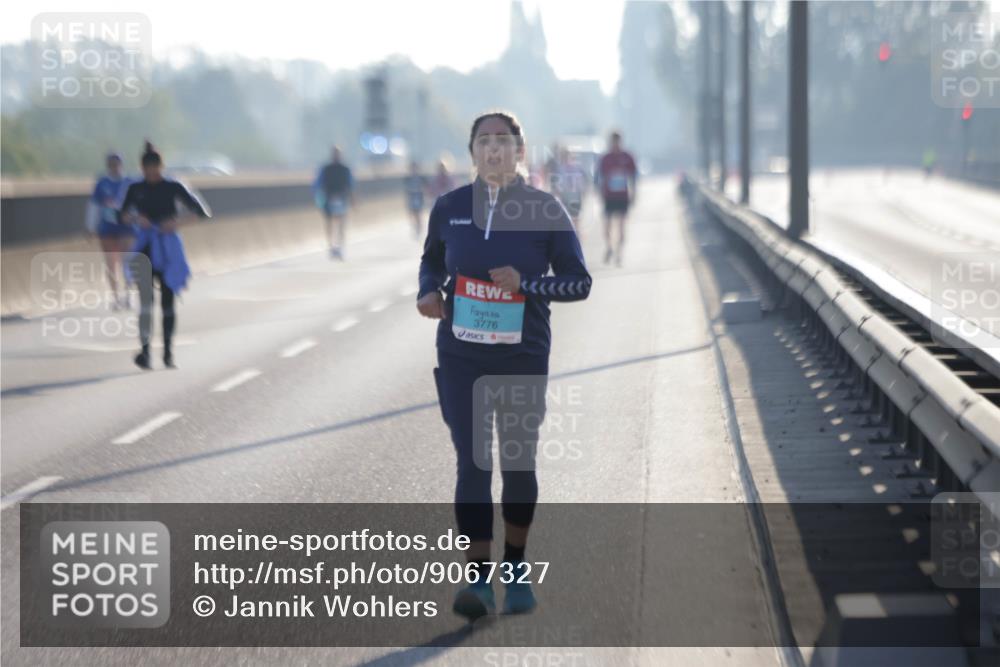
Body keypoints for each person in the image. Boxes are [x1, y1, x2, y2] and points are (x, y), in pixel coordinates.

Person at [417, 111, 592, 620]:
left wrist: (527, 284)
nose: (493, 150)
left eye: (503, 141)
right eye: (484, 141)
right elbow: (431, 259)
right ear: (472, 150)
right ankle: (476, 580)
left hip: (521, 354)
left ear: (521, 150)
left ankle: (515, 571)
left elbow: (579, 283)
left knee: (517, 465)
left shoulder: (544, 209)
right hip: (461, 353)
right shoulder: (449, 208)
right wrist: (428, 289)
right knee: (472, 463)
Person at [118, 141, 211, 370]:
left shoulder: (174, 186)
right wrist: (137, 220)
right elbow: (120, 216)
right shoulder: (135, 188)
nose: (151, 173)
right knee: (146, 303)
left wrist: (175, 223)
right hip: (145, 247)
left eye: (155, 168)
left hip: (168, 247)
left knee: (168, 302)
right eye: (147, 169)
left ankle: (168, 353)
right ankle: (146, 353)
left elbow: (202, 213)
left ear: (161, 166)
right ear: (142, 168)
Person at [86, 152, 134, 310]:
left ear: (121, 165)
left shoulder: (129, 183)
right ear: (107, 166)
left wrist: (134, 218)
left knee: (126, 262)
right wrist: (91, 228)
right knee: (111, 264)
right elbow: (94, 207)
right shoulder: (102, 184)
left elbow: (137, 206)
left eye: (117, 164)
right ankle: (115, 297)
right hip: (107, 229)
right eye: (111, 164)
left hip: (127, 229)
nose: (114, 167)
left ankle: (128, 294)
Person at [597, 131, 637, 266]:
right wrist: (599, 192)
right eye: (613, 141)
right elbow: (599, 177)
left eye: (617, 141)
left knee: (621, 226)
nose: (615, 144)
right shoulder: (605, 158)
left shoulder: (627, 157)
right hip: (609, 196)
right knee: (606, 226)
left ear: (621, 141)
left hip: (622, 196)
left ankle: (619, 253)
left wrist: (634, 193)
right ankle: (610, 247)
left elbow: (634, 177)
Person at [313, 146, 354, 259]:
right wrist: (318, 199)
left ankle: (340, 246)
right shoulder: (326, 169)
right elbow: (318, 184)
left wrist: (353, 199)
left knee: (341, 222)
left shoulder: (345, 169)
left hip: (342, 198)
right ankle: (331, 246)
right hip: (329, 198)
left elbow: (350, 185)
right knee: (329, 223)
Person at [550, 147, 589, 232]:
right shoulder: (559, 169)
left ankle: (576, 235)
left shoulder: (577, 168)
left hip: (575, 196)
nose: (566, 158)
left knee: (575, 218)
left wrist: (584, 192)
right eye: (564, 156)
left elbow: (584, 181)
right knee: (566, 219)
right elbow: (555, 184)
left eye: (567, 156)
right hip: (564, 196)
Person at [404, 161, 427, 238]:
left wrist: (420, 190)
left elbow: (425, 187)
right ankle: (416, 226)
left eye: (415, 168)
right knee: (413, 213)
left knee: (418, 213)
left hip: (418, 197)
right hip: (411, 197)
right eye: (412, 168)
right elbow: (406, 189)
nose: (413, 170)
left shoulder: (421, 178)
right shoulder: (407, 178)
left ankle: (419, 227)